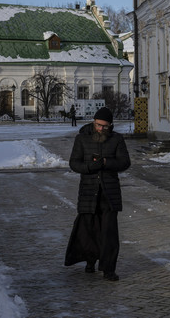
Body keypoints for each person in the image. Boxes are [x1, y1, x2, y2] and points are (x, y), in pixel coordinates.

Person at [65, 107, 130, 281]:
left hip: (109, 193)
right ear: (93, 122)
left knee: (109, 232)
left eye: (104, 126)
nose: (100, 129)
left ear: (110, 125)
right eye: (98, 125)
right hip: (88, 191)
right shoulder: (82, 138)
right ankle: (90, 261)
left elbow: (125, 162)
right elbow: (73, 163)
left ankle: (108, 269)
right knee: (88, 230)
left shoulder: (117, 139)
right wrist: (88, 168)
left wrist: (107, 162)